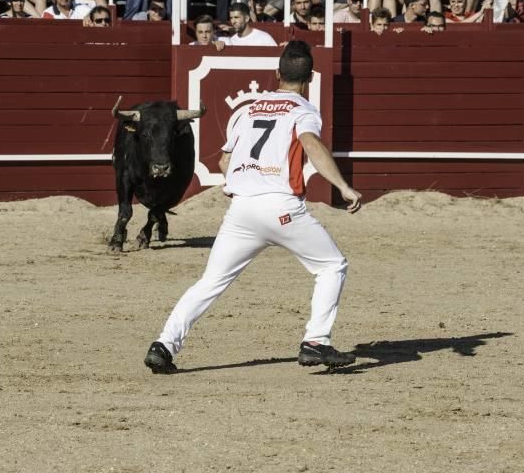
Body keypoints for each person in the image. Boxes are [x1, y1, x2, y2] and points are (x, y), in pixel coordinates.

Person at [144, 40, 363, 374]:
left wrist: (248, 182)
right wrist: (343, 186)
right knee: (332, 266)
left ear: (276, 73)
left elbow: (223, 161)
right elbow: (311, 145)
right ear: (311, 78)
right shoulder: (303, 111)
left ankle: (163, 344)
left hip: (242, 211)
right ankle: (316, 341)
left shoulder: (247, 111)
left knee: (210, 282)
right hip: (282, 208)